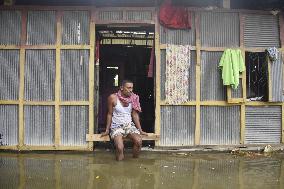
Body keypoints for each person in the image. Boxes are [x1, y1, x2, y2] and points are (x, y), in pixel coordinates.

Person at [101, 80, 147, 161]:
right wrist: (107, 130)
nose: (131, 90)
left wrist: (140, 130)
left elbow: (135, 115)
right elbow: (109, 114)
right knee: (119, 147)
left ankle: (135, 164)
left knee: (139, 142)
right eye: (128, 88)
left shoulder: (134, 98)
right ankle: (119, 169)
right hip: (116, 126)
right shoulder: (113, 98)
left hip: (129, 125)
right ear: (122, 88)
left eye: (132, 88)